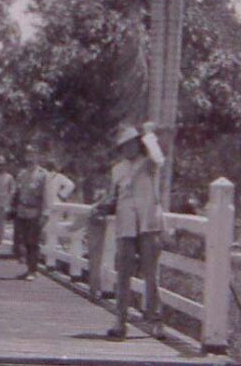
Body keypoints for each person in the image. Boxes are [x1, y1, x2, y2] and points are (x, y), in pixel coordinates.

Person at [97, 120, 166, 341]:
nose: (128, 148)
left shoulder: (149, 164)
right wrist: (101, 207)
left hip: (148, 222)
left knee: (150, 274)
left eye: (131, 143)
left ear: (138, 143)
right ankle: (120, 321)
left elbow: (159, 158)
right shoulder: (117, 169)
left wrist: (148, 134)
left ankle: (156, 321)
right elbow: (113, 196)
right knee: (124, 273)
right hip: (126, 224)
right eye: (123, 145)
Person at [11, 144, 50, 281]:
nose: (31, 157)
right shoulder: (22, 174)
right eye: (28, 154)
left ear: (38, 156)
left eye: (34, 154)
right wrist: (13, 208)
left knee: (33, 241)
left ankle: (33, 270)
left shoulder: (43, 174)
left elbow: (46, 195)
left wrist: (45, 213)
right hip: (22, 211)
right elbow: (17, 193)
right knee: (24, 241)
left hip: (35, 211)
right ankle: (29, 268)